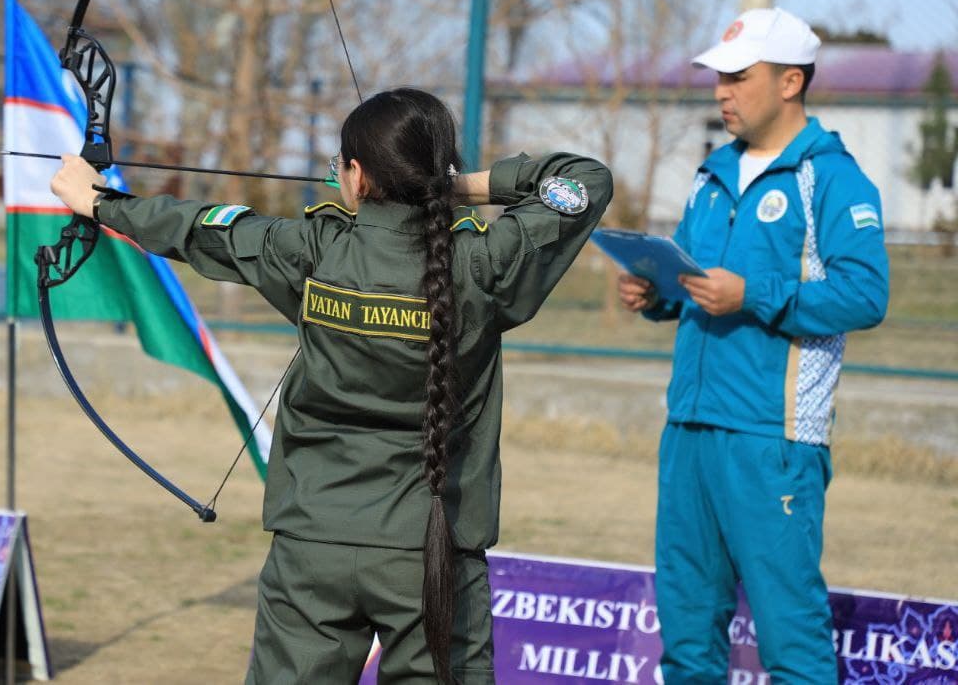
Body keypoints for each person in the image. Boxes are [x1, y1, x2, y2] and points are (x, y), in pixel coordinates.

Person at [52, 88, 612, 683]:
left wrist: (98, 202)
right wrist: (457, 186)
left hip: (313, 543)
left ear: (357, 175)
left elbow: (200, 227)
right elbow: (583, 181)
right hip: (432, 550)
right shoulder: (485, 261)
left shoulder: (311, 249)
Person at [617, 8, 889, 683]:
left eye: (739, 76)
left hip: (774, 440)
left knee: (792, 646)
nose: (722, 90)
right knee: (685, 641)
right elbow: (696, 283)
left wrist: (754, 294)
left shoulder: (832, 178)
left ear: (791, 80)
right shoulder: (711, 176)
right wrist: (657, 296)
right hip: (688, 429)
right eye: (719, 77)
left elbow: (866, 294)